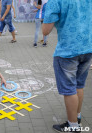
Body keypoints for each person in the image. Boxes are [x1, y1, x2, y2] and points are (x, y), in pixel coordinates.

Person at [42, 0, 92, 132]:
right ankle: (77, 116)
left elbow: (46, 31)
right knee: (79, 85)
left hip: (68, 51)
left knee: (69, 90)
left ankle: (73, 126)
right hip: (87, 47)